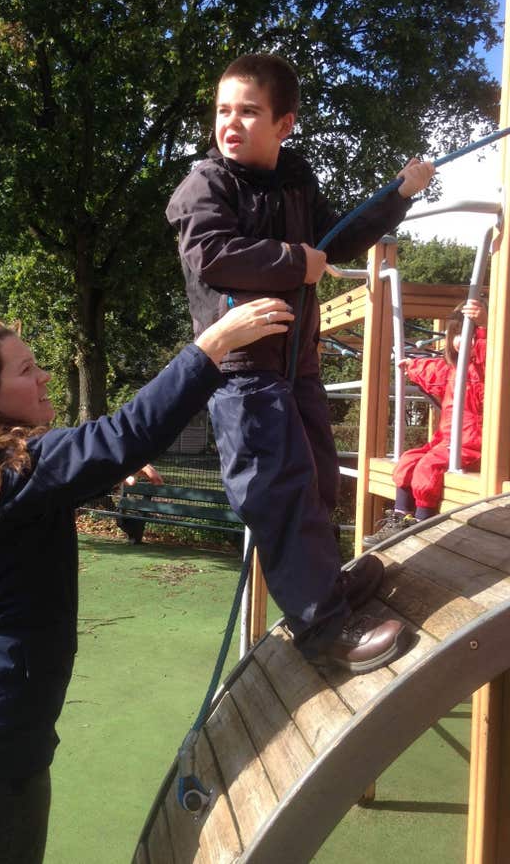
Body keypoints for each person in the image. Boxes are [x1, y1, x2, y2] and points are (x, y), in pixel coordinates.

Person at [0, 297, 293, 864]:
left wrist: (105, 477)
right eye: (27, 370)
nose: (45, 376)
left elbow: (37, 504)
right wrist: (213, 345)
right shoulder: (13, 467)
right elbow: (124, 433)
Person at [166, 52, 436, 673]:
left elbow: (333, 239)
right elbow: (213, 255)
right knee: (279, 491)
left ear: (283, 124)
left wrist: (397, 195)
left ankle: (328, 588)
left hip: (297, 368)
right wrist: (294, 262)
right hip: (242, 374)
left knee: (316, 476)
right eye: (222, 110)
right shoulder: (205, 186)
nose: (230, 123)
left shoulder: (294, 179)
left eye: (248, 112)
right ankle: (323, 628)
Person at [364, 298, 487, 545]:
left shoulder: (486, 368)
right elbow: (433, 371)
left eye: (469, 335)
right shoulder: (452, 370)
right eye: (455, 335)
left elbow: (493, 352)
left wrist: (484, 325)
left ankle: (423, 520)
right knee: (409, 459)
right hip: (448, 441)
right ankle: (400, 517)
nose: (461, 341)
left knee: (427, 467)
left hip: (475, 444)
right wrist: (412, 366)